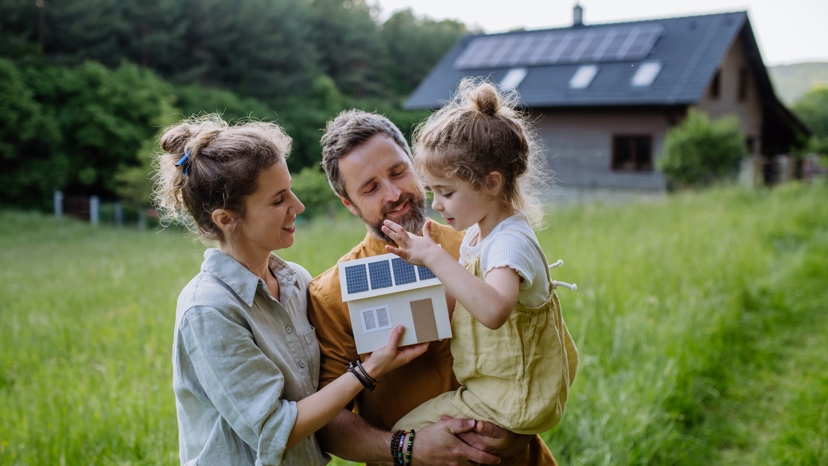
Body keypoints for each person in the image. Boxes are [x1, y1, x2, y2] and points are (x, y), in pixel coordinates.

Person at [154, 115, 426, 466]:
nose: (297, 206)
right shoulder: (208, 309)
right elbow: (272, 430)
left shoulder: (296, 281)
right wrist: (367, 371)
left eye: (291, 190)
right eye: (278, 199)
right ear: (226, 219)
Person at [307, 109, 560, 465]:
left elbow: (541, 345)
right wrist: (408, 448)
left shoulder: (480, 244)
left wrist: (517, 429)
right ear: (349, 204)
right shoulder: (330, 295)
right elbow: (329, 423)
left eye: (398, 172)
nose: (394, 193)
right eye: (371, 188)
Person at [382, 79, 578, 448]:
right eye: (433, 192)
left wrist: (435, 256)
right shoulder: (480, 232)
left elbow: (493, 311)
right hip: (495, 388)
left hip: (513, 398)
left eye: (447, 192)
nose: (437, 205)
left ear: (490, 184)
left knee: (402, 438)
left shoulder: (508, 243)